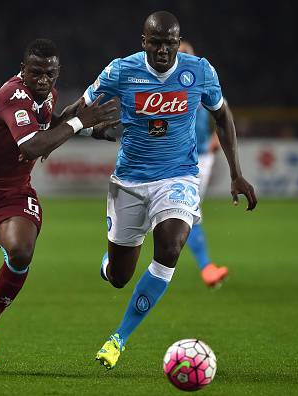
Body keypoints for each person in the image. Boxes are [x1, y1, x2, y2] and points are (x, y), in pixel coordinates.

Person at [81, 11, 257, 369]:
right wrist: (78, 131)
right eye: (155, 43)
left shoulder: (200, 71)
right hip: (129, 182)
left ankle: (119, 338)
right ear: (143, 42)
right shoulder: (120, 71)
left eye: (169, 43)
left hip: (178, 177)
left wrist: (237, 174)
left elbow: (222, 115)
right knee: (119, 277)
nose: (163, 50)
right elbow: (83, 109)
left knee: (171, 245)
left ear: (179, 42)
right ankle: (109, 265)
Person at [0, 39, 117, 372]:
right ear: (23, 70)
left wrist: (83, 127)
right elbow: (34, 144)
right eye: (35, 72)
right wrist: (80, 122)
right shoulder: (12, 95)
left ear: (57, 72)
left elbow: (46, 132)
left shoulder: (47, 95)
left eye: (49, 74)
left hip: (13, 191)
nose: (42, 80)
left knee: (21, 250)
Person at [178, 39, 229, 287]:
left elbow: (223, 114)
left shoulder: (202, 80)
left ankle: (206, 266)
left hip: (201, 159)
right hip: (174, 157)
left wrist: (217, 139)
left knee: (188, 211)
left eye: (187, 54)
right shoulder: (165, 84)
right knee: (184, 211)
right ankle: (206, 266)